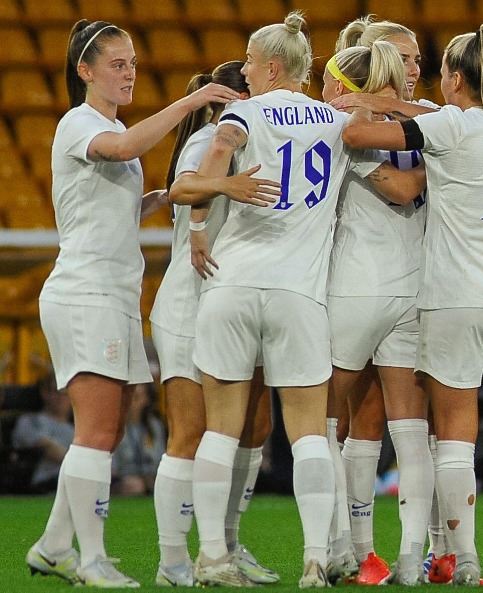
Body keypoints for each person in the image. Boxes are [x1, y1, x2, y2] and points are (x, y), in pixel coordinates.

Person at [23, 19, 238, 588]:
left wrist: (159, 198)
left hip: (112, 294)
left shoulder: (103, 127)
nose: (129, 74)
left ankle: (52, 545)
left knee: (109, 430)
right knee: (95, 430)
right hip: (85, 292)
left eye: (134, 64)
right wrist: (189, 101)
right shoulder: (81, 123)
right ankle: (89, 561)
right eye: (117, 64)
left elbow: (107, 203)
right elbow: (123, 146)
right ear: (85, 70)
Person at [340, 22, 483, 586]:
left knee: (455, 434)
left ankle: (468, 558)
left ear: (457, 79)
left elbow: (358, 137)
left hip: (456, 295)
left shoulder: (452, 124)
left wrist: (360, 97)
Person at [168, 12, 353, 587]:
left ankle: (215, 557)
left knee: (221, 429)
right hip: (300, 292)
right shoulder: (340, 122)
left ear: (272, 67)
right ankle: (317, 557)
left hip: (235, 283)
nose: (244, 73)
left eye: (248, 63)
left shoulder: (242, 113)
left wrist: (204, 219)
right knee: (308, 434)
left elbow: (193, 182)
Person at [149, 60, 280, 587]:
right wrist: (225, 186)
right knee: (190, 433)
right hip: (190, 301)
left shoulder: (258, 140)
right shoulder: (208, 139)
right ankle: (172, 559)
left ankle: (225, 543)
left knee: (253, 429)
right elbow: (185, 190)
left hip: (235, 300)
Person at [327, 15, 435, 586]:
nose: (412, 68)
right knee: (360, 421)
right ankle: (359, 550)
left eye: (417, 58)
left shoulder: (431, 120)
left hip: (388, 287)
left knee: (398, 424)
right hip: (366, 281)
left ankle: (388, 555)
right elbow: (406, 188)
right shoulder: (351, 120)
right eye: (400, 58)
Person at [13, 374, 74, 492]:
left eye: (66, 393)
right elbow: (47, 448)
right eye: (57, 391)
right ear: (45, 393)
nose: (62, 397)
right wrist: (84, 468)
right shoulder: (30, 421)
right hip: (47, 482)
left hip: (76, 480)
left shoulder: (76, 429)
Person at [111, 384, 165, 496]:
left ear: (146, 400)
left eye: (136, 397)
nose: (131, 402)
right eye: (129, 397)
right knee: (135, 485)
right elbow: (112, 466)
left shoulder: (155, 426)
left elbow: (160, 458)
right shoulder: (115, 426)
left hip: (150, 477)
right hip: (122, 479)